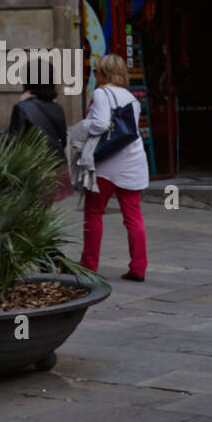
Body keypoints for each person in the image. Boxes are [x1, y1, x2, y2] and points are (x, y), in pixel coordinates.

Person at [79, 54, 148, 281]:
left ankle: (89, 265)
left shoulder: (101, 93)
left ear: (104, 73)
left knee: (93, 213)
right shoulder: (131, 98)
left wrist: (79, 128)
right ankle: (138, 267)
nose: (95, 75)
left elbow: (99, 124)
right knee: (133, 217)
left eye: (97, 71)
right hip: (133, 161)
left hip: (106, 163)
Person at [7, 67, 71, 202]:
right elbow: (63, 140)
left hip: (31, 170)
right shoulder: (57, 107)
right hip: (55, 168)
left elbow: (13, 142)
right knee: (44, 212)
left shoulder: (21, 107)